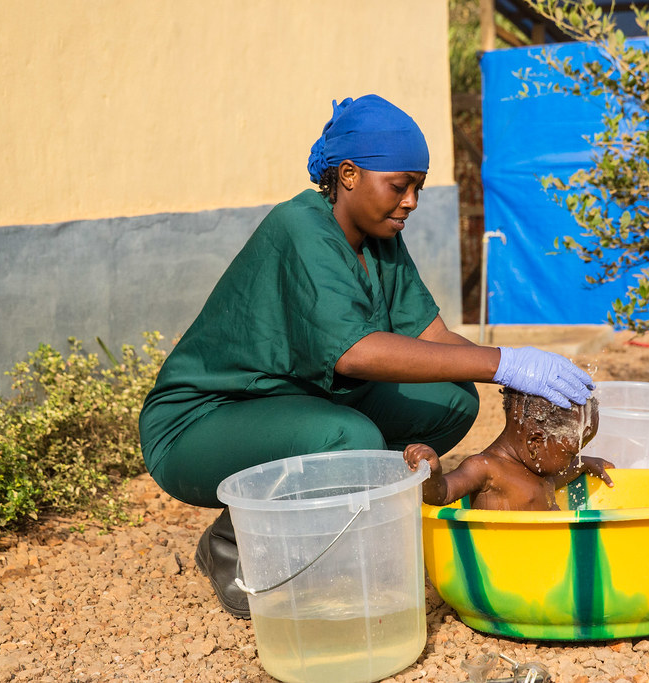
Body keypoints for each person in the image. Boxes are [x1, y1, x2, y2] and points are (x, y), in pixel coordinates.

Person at [138, 94, 595, 618]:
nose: (411, 202)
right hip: (200, 425)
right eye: (399, 185)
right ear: (349, 175)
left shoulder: (380, 240)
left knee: (450, 401)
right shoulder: (300, 230)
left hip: (287, 407)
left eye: (418, 188)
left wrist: (518, 377)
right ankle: (235, 540)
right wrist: (504, 362)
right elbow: (355, 353)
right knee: (350, 440)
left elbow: (434, 338)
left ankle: (340, 526)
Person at [403, 388, 613, 511]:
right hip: (502, 568)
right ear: (535, 443)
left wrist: (582, 463)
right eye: (571, 453)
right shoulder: (485, 468)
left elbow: (556, 480)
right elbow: (441, 494)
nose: (573, 457)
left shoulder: (539, 467)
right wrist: (432, 474)